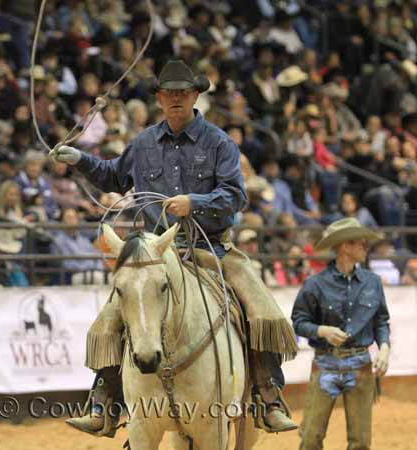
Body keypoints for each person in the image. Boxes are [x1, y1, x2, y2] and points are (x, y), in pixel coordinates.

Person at [51, 60, 298, 436]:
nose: (176, 99)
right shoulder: (144, 143)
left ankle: (268, 395)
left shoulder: (219, 142)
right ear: (160, 98)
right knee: (114, 313)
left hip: (211, 247)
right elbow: (114, 176)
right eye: (169, 93)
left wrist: (194, 203)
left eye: (183, 93)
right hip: (155, 252)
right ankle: (103, 402)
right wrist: (80, 160)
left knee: (259, 305)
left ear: (196, 95)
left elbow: (235, 195)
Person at [291, 218, 391, 450]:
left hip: (360, 366)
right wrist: (321, 330)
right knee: (310, 438)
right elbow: (298, 322)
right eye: (362, 244)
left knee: (361, 442)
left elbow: (381, 320)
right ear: (346, 246)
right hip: (326, 363)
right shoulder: (315, 284)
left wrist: (384, 346)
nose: (366, 248)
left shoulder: (373, 282)